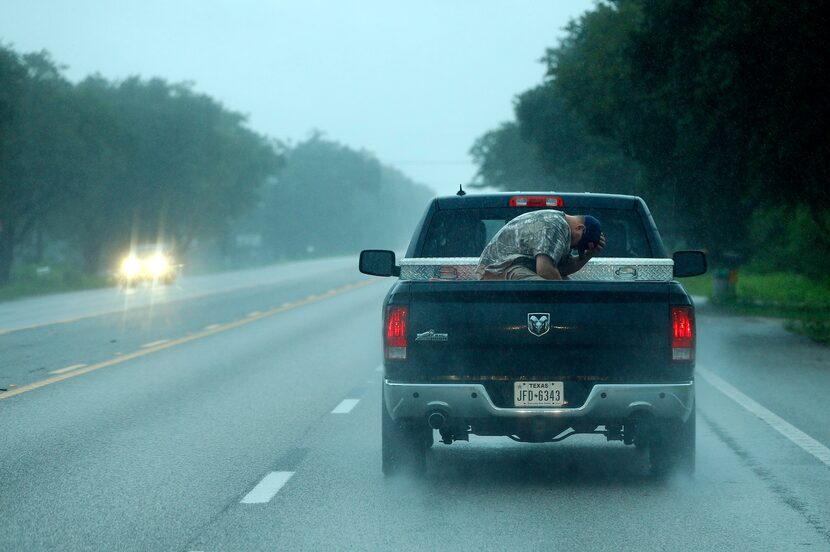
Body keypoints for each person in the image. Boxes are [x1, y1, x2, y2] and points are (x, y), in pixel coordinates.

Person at [475, 210, 605, 280]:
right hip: (499, 269)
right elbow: (545, 270)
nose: (574, 248)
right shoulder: (555, 225)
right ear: (579, 228)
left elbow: (560, 269)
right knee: (542, 287)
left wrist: (587, 257)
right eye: (578, 244)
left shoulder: (562, 227)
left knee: (564, 283)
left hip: (515, 267)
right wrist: (567, 299)